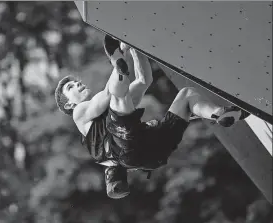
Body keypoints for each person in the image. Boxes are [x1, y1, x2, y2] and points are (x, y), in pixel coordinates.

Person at [54, 35, 249, 199]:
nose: (77, 84)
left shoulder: (115, 110)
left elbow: (144, 80)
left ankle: (219, 113)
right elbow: (106, 96)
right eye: (71, 87)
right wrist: (119, 56)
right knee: (117, 97)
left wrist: (135, 47)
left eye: (76, 81)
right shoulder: (79, 113)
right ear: (69, 104)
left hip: (150, 154)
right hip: (123, 147)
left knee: (187, 96)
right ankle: (116, 59)